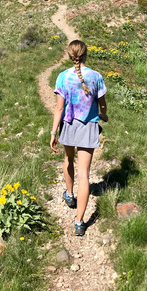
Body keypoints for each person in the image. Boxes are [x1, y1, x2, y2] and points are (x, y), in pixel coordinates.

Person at [50, 40, 108, 236]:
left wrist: (53, 132)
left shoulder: (62, 77)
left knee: (68, 160)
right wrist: (104, 114)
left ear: (69, 55)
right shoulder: (96, 77)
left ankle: (69, 194)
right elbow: (102, 103)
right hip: (89, 126)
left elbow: (59, 107)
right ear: (85, 55)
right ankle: (79, 222)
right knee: (85, 174)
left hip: (68, 124)